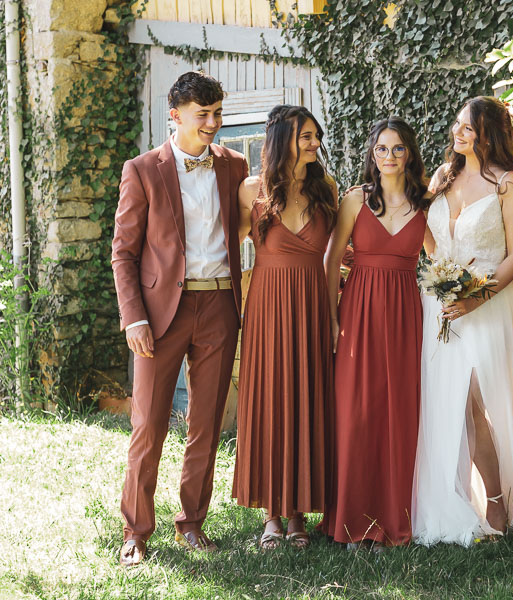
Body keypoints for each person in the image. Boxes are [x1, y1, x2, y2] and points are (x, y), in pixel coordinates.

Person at [112, 71, 248, 566]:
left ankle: (192, 523)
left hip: (219, 308)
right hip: (159, 314)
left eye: (217, 114)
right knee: (148, 424)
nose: (213, 124)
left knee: (206, 422)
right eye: (203, 115)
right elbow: (123, 253)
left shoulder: (235, 165)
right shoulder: (143, 170)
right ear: (176, 114)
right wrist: (134, 319)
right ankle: (136, 531)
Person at [412, 96, 513, 546]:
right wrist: (440, 282)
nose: (457, 133)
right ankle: (458, 497)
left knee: (481, 402)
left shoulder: (508, 185)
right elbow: (430, 239)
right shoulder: (444, 178)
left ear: (488, 135)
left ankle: (498, 501)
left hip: (490, 305)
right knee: (451, 403)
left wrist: (474, 297)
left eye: (467, 128)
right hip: (440, 305)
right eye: (456, 125)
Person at [319, 117, 429, 549]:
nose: (388, 156)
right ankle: (349, 520)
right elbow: (331, 262)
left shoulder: (426, 206)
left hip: (405, 316)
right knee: (356, 414)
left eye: (397, 149)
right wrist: (330, 317)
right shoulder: (354, 201)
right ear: (371, 154)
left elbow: (443, 257)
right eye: (381, 148)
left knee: (399, 413)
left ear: (410, 154)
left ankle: (393, 517)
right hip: (359, 312)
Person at [231, 105, 338, 550]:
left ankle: (300, 512)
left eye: (316, 136)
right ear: (283, 141)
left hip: (312, 303)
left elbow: (337, 255)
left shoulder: (326, 189)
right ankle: (272, 513)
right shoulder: (250, 190)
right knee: (272, 398)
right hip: (268, 307)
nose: (315, 144)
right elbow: (227, 247)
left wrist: (333, 314)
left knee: (306, 395)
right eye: (306, 137)